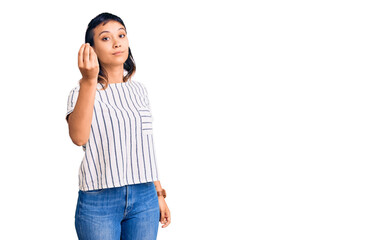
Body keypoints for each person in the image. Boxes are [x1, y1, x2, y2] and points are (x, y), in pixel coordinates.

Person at [65, 12, 171, 240]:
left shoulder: (140, 90)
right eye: (105, 38)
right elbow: (79, 138)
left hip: (145, 197)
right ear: (91, 49)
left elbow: (145, 147)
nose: (116, 42)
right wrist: (89, 80)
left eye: (121, 35)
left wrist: (159, 193)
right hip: (99, 200)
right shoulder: (81, 91)